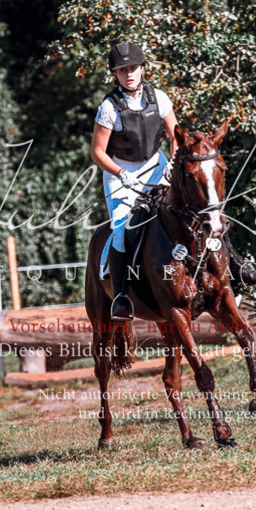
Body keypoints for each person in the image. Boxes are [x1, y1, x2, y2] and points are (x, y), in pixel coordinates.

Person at [90, 40, 178, 320]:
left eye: (133, 68)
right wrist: (121, 174)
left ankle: (233, 271)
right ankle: (120, 297)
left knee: (193, 208)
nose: (129, 74)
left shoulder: (159, 98)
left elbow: (176, 136)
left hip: (156, 165)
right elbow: (96, 152)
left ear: (142, 69)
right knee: (121, 230)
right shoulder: (109, 107)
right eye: (122, 70)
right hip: (121, 172)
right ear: (115, 74)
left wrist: (173, 164)